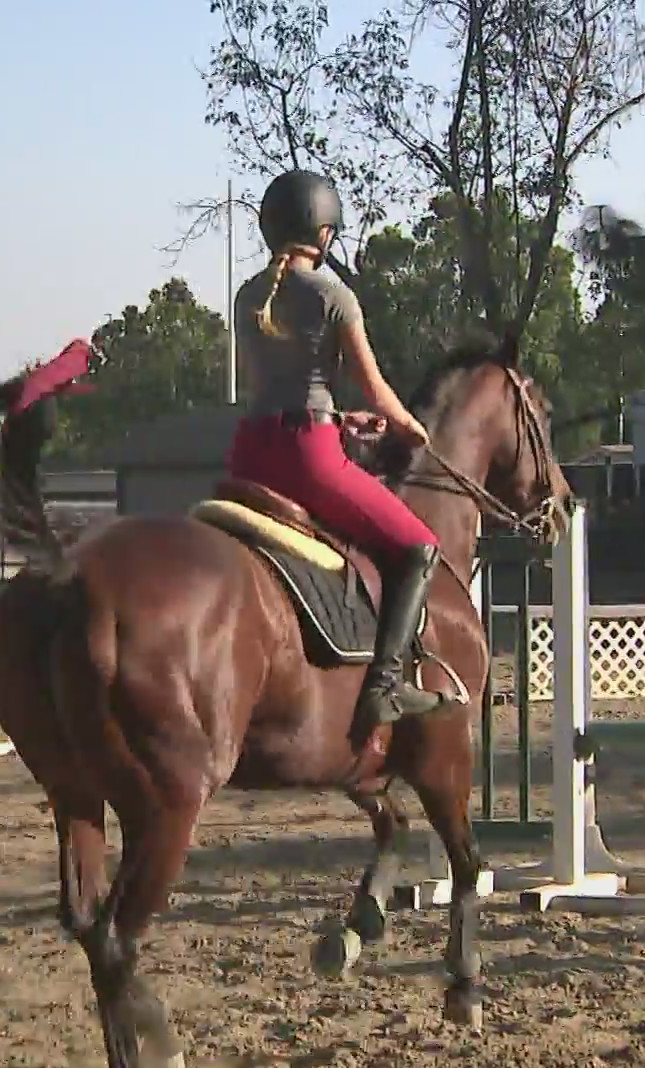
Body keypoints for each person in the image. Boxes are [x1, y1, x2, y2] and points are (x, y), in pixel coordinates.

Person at [226, 168, 448, 738]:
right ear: (324, 233)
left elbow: (263, 387)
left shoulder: (248, 295)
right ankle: (386, 685)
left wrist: (338, 417)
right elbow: (377, 390)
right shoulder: (334, 295)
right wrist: (410, 428)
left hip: (252, 450)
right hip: (308, 454)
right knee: (419, 546)